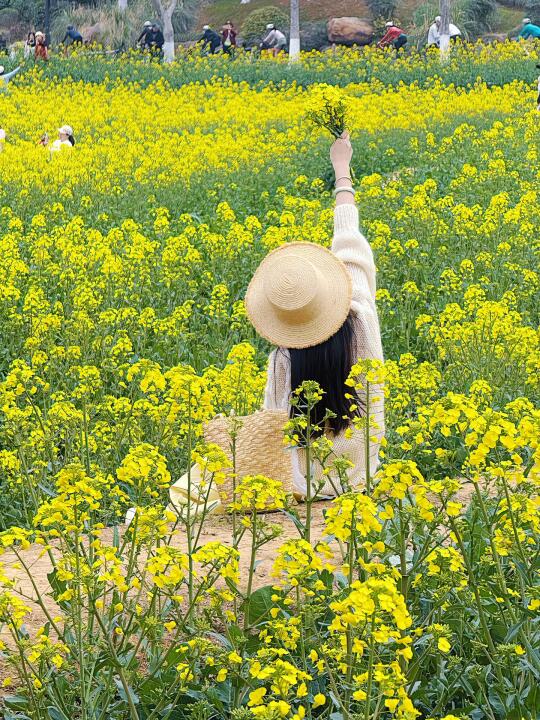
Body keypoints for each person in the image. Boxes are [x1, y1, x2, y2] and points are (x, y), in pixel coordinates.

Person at [244, 132, 385, 499]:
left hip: (304, 489)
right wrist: (342, 170)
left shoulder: (283, 358)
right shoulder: (360, 323)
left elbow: (273, 431)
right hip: (360, 479)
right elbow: (350, 243)